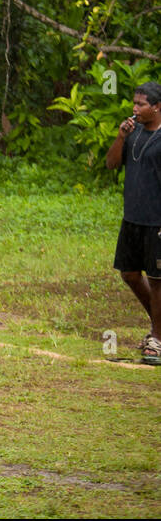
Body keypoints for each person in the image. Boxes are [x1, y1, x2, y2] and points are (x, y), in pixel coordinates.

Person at [104, 81, 161, 365]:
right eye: (134, 103)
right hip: (132, 218)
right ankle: (159, 324)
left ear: (157, 107)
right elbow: (111, 164)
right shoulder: (133, 133)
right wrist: (120, 138)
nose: (135, 109)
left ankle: (158, 339)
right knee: (129, 273)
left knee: (157, 279)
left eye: (141, 104)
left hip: (157, 221)